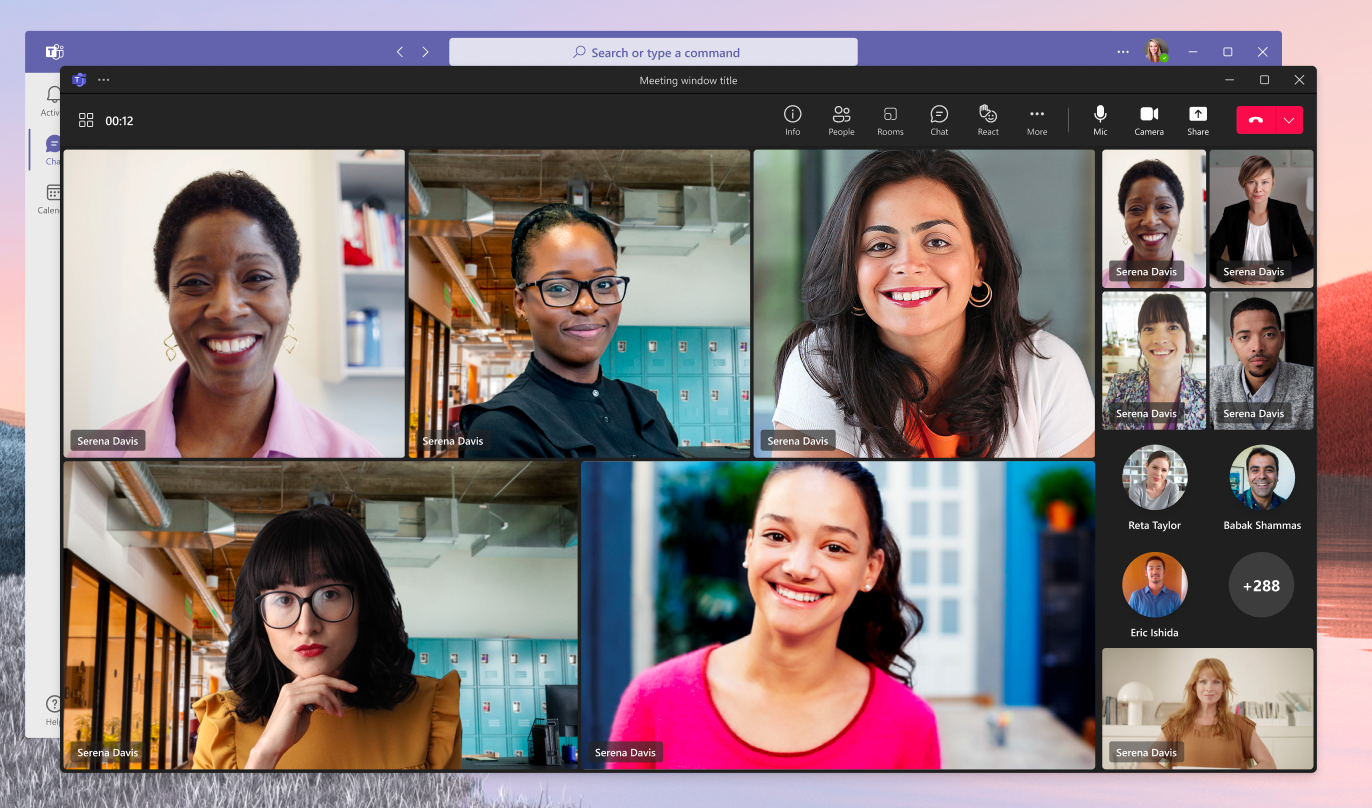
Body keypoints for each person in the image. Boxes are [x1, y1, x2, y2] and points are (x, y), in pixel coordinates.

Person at [608, 461, 940, 769]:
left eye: (834, 547)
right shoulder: (652, 702)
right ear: (749, 547)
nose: (798, 568)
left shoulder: (910, 726)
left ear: (870, 569)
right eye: (777, 536)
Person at [772, 150, 1094, 459]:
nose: (908, 265)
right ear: (851, 271)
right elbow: (811, 499)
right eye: (881, 245)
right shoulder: (814, 365)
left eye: (937, 242)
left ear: (979, 265)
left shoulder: (1051, 368)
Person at [69, 171, 380, 459]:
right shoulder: (93, 452)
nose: (227, 309)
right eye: (194, 282)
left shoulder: (356, 458)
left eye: (256, 278)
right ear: (170, 300)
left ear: (288, 295)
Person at [192, 505, 461, 769]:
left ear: (364, 604)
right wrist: (264, 754)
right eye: (284, 599)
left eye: (329, 594)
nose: (306, 625)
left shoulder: (431, 714)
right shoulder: (222, 728)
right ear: (259, 617)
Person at [459, 203, 683, 458]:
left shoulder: (645, 406)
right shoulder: (500, 427)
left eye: (604, 284)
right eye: (558, 288)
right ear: (521, 304)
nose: (587, 305)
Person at [1141, 658, 1276, 769]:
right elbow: (1146, 762)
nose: (1209, 688)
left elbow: (1269, 764)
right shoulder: (1176, 724)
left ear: (1223, 687)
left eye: (1216, 682)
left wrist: (1239, 780)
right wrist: (1174, 780)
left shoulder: (1241, 725)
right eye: (1203, 682)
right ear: (1195, 686)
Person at [1102, 293, 1207, 430]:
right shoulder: (1120, 387)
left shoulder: (1205, 397)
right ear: (1140, 340)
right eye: (1149, 329)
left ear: (1187, 339)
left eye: (1173, 327)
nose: (1159, 339)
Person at [1210, 297, 1315, 429]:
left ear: (1281, 339)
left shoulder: (1312, 383)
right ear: (1233, 345)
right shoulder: (1213, 382)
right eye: (1244, 337)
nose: (1257, 347)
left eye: (1268, 335)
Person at [1209, 155, 1315, 283]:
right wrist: (1235, 272)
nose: (1258, 189)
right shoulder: (1231, 214)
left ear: (1273, 183)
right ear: (1243, 182)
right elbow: (1210, 255)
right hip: (1240, 284)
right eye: (1252, 181)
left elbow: (1310, 256)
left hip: (1279, 284)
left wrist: (1274, 272)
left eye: (1264, 182)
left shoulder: (1289, 212)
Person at [1102, 159, 1204, 288]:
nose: (1151, 221)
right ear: (1125, 217)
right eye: (1136, 209)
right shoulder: (1093, 287)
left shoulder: (1202, 284)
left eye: (1164, 207)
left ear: (1178, 215)